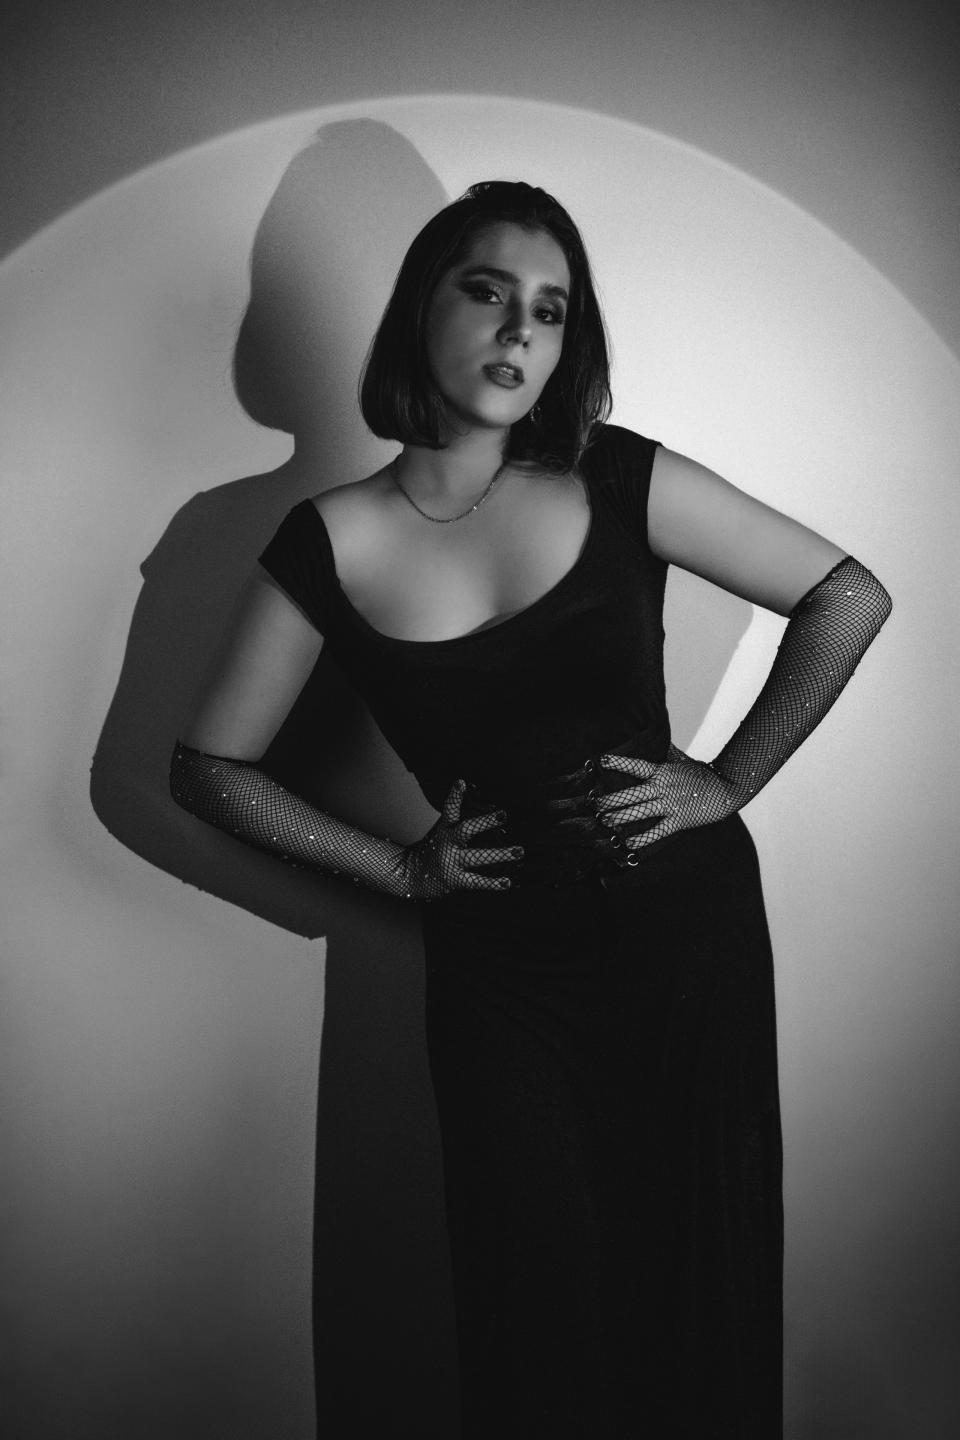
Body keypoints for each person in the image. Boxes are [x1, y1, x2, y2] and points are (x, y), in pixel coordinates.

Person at [170, 181, 891, 1437]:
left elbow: (847, 597)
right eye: (489, 291)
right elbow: (208, 768)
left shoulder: (619, 474)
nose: (518, 331)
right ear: (422, 308)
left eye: (551, 311)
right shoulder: (326, 539)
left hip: (686, 945)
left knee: (695, 1289)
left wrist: (728, 779)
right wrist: (400, 873)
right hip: (502, 976)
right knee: (534, 1312)